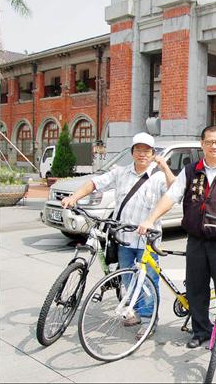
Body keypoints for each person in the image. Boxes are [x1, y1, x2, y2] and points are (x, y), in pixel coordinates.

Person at [138, 125, 216, 352]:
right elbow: (171, 197)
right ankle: (200, 330)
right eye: (209, 142)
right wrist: (150, 219)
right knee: (196, 289)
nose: (214, 146)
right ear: (202, 144)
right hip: (196, 240)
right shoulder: (190, 170)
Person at [61, 132, 176, 340]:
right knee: (126, 277)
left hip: (147, 240)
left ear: (153, 154)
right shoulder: (121, 173)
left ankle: (149, 318)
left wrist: (165, 167)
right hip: (123, 237)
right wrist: (74, 197)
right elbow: (94, 184)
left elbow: (174, 190)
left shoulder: (158, 176)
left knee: (148, 279)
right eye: (138, 150)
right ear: (132, 152)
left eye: (147, 151)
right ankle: (132, 311)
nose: (142, 154)